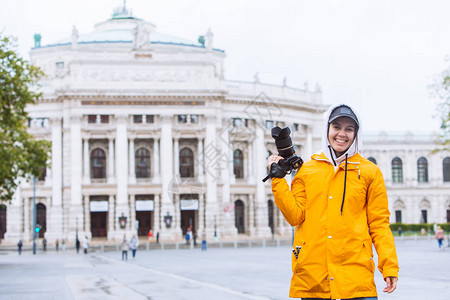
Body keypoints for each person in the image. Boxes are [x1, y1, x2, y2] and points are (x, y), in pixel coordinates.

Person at [268, 104, 399, 300]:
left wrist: (389, 266)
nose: (342, 134)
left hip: (356, 277)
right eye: (336, 127)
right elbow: (295, 216)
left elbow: (379, 224)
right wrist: (278, 180)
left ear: (356, 133)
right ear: (327, 129)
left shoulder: (370, 172)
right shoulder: (307, 170)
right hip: (314, 277)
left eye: (349, 129)